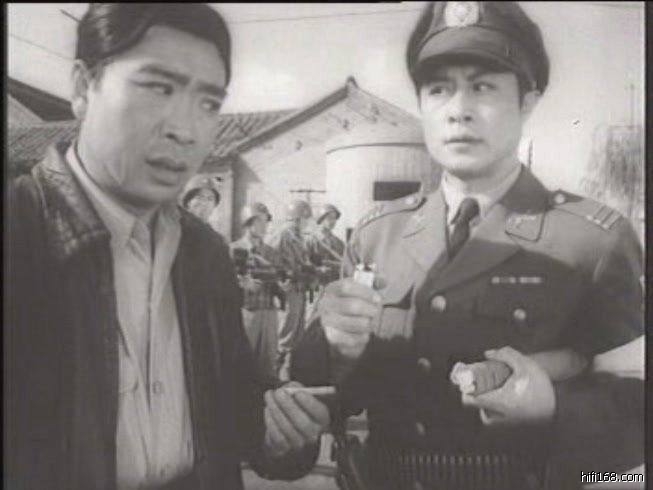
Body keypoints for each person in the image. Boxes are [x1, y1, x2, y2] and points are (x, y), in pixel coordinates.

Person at [291, 2, 644, 489]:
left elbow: (636, 423)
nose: (458, 110)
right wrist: (334, 349)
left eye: (482, 87)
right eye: (439, 89)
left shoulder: (593, 240)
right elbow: (329, 395)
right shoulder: (377, 234)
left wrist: (554, 405)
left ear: (527, 102)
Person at [6, 4, 330, 490]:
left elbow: (240, 415)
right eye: (158, 88)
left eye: (208, 103)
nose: (186, 129)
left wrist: (284, 428)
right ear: (82, 88)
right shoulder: (21, 234)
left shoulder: (204, 252)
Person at [230, 202, 285, 385]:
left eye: (266, 221)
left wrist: (282, 285)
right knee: (243, 363)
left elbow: (279, 279)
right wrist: (241, 284)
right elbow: (222, 282)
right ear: (248, 223)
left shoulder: (271, 252)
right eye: (259, 221)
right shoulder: (234, 249)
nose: (264, 226)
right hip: (246, 312)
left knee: (268, 364)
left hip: (268, 312)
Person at [273, 199, 315, 381]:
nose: (307, 222)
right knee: (286, 333)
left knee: (297, 334)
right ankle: (274, 373)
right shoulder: (284, 234)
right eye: (305, 218)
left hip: (299, 288)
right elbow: (271, 258)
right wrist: (283, 279)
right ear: (298, 218)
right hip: (289, 289)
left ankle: (288, 374)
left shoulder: (298, 237)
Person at [307, 203, 345, 286]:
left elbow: (345, 263)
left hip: (335, 285)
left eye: (334, 218)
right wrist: (318, 269)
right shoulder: (311, 240)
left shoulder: (339, 242)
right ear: (321, 219)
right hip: (317, 285)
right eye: (329, 218)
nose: (333, 221)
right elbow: (305, 264)